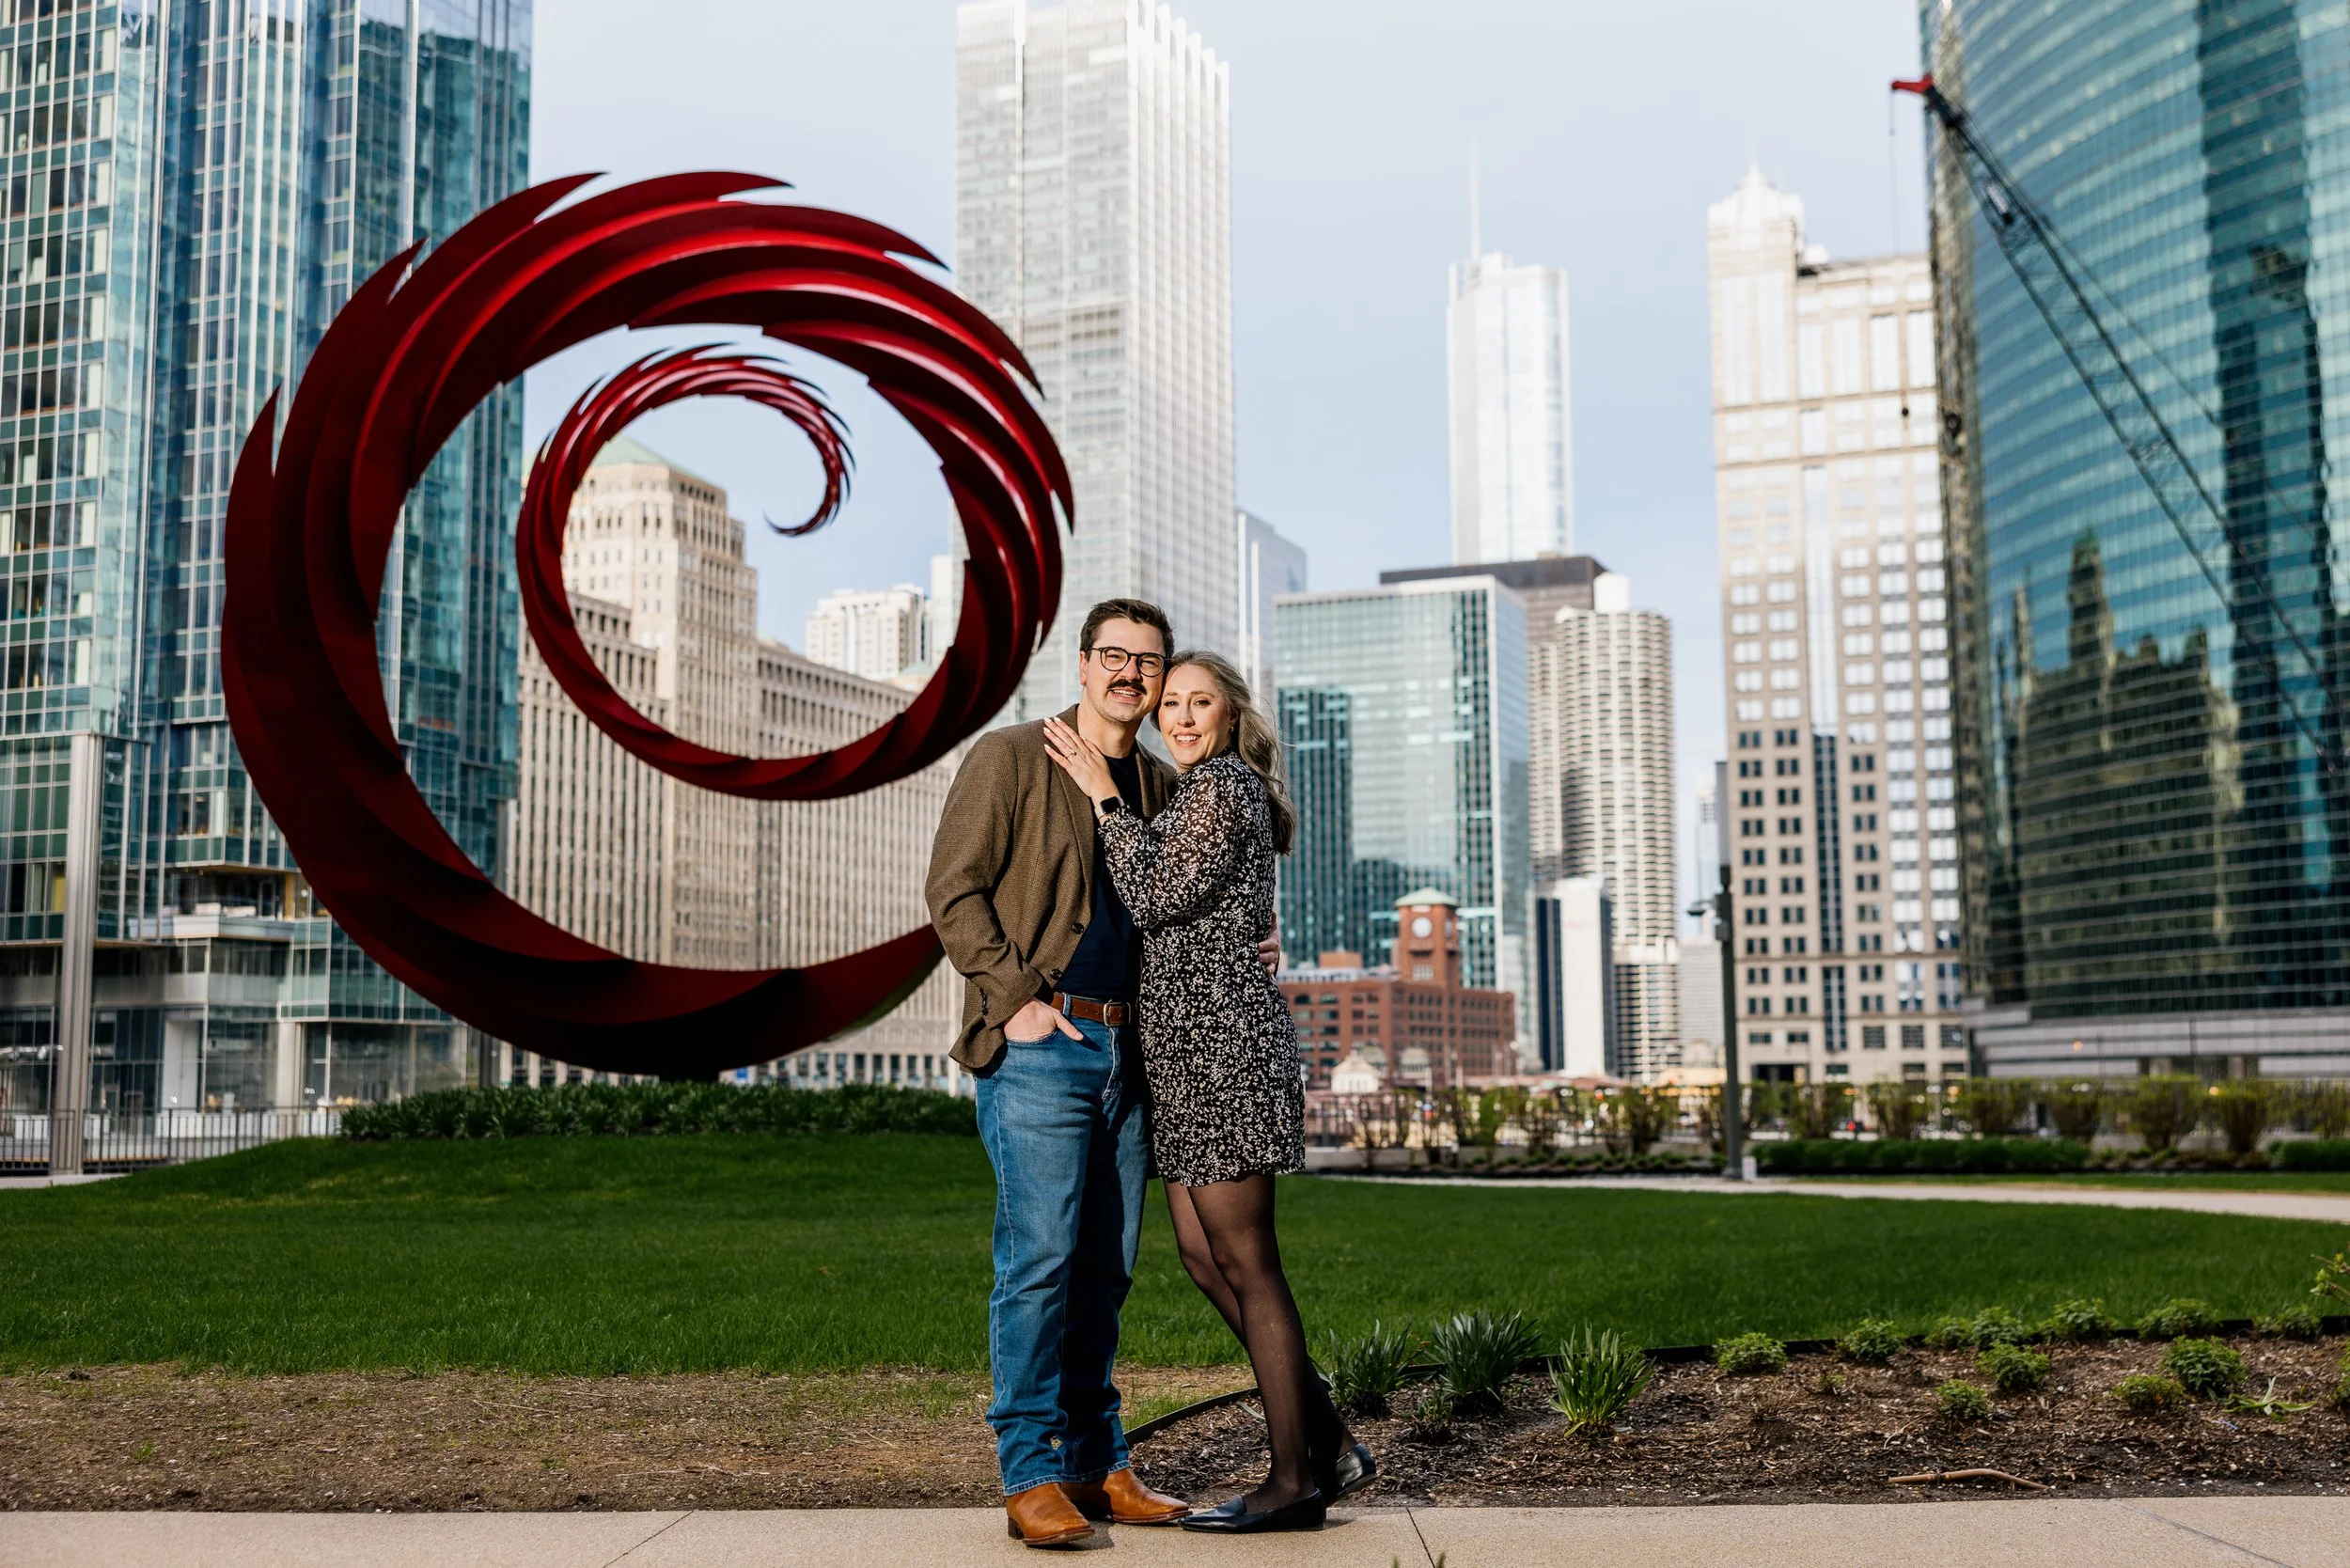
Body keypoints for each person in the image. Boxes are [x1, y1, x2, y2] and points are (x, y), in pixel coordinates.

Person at [1042, 651, 1375, 1535]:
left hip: (1223, 1052)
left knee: (1249, 1263)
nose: (1182, 717)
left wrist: (1101, 795)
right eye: (1173, 704)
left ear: (1231, 715)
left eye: (1201, 703)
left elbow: (1152, 896)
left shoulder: (1222, 786)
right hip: (1187, 1057)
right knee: (1202, 1258)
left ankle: (1295, 1478)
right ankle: (1331, 1439)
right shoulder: (1201, 793)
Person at [924, 599, 1200, 1548]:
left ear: (1161, 680)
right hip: (1043, 1049)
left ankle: (1094, 1460)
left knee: (1104, 1270)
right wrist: (1017, 1000)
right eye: (1114, 656)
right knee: (1038, 1264)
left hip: (1134, 1055)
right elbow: (952, 890)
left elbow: (1176, 908)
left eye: (1148, 661)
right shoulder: (1010, 759)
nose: (1131, 673)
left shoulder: (1161, 789)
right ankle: (1031, 1471)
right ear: (1082, 666)